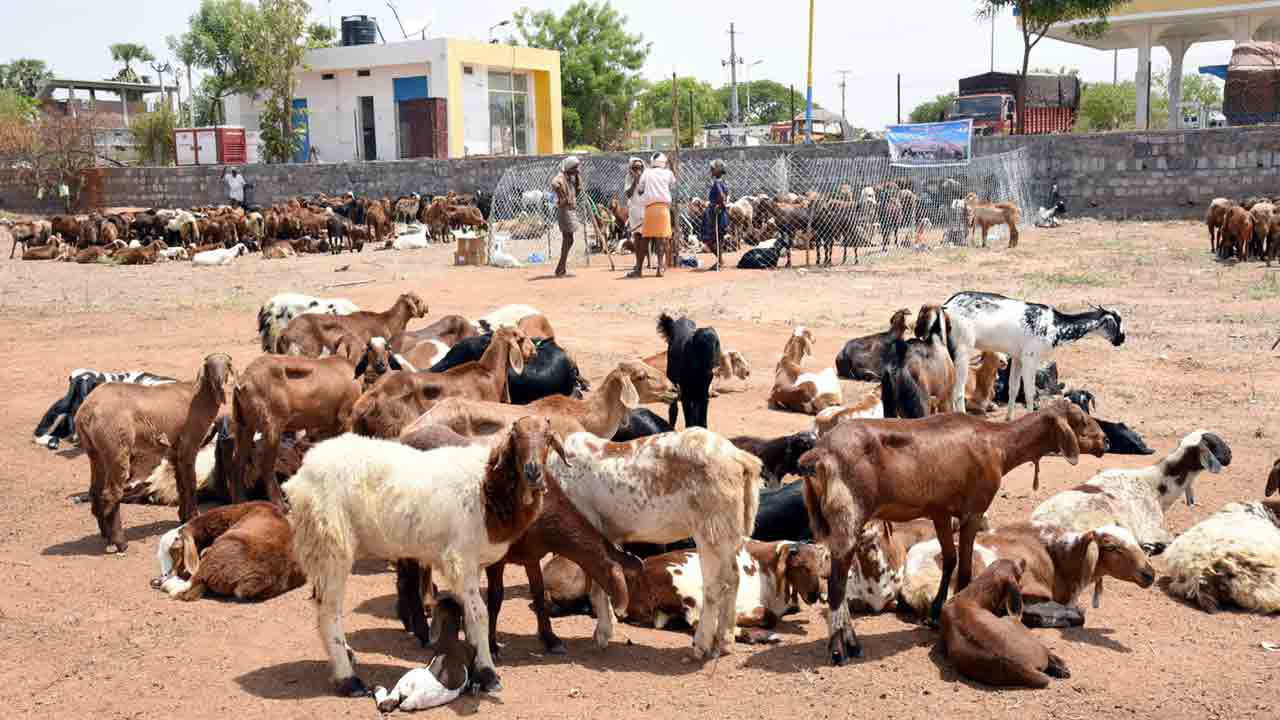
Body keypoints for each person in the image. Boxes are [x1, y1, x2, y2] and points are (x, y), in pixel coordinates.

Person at [631, 152, 676, 278]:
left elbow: (640, 190)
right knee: (661, 239)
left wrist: (647, 193)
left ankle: (638, 269)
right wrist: (672, 165)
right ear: (663, 162)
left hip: (650, 209)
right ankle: (660, 269)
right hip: (663, 209)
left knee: (645, 239)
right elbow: (673, 182)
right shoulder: (668, 173)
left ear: (652, 161)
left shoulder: (646, 173)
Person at [550, 155, 581, 277]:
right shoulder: (561, 177)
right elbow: (554, 183)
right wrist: (562, 195)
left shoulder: (570, 178)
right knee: (568, 239)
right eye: (575, 168)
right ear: (569, 167)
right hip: (565, 211)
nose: (577, 170)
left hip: (570, 210)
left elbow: (578, 191)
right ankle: (560, 268)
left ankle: (561, 267)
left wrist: (577, 176)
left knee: (568, 239)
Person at [701, 159, 729, 261]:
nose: (711, 170)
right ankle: (720, 260)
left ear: (718, 171)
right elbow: (725, 196)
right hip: (722, 213)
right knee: (719, 238)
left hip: (714, 214)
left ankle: (720, 260)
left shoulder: (717, 183)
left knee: (709, 238)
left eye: (712, 169)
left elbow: (722, 196)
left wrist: (719, 205)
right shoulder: (724, 182)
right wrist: (722, 205)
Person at [624, 156, 646, 267]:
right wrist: (635, 181)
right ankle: (638, 263)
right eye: (635, 168)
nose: (638, 170)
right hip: (634, 211)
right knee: (637, 237)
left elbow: (644, 192)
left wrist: (640, 180)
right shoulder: (628, 177)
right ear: (631, 168)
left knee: (645, 237)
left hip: (645, 209)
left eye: (640, 167)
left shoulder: (646, 177)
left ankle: (646, 262)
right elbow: (628, 194)